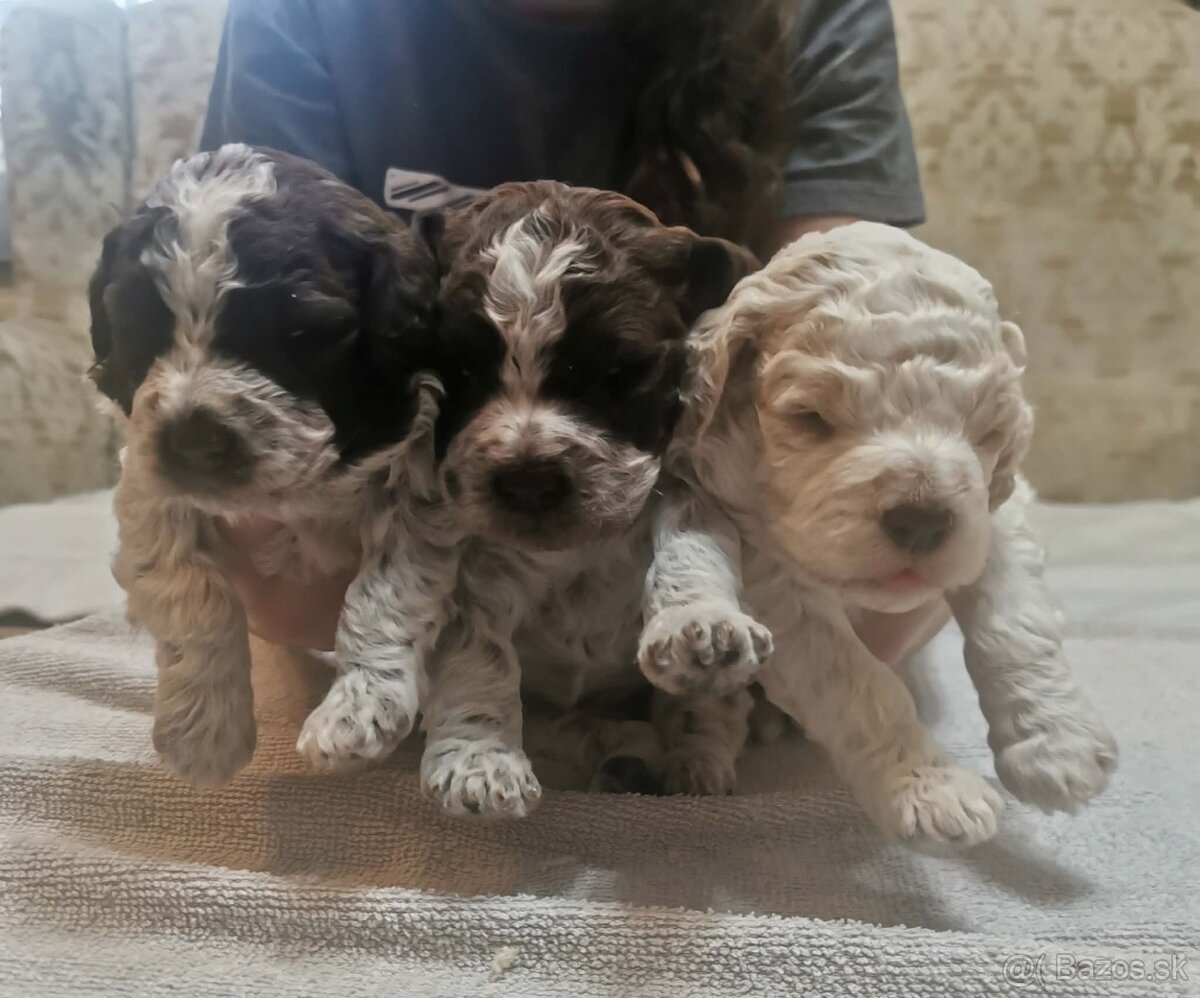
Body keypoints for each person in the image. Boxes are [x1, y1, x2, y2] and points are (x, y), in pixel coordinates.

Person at [200, 0, 943, 660]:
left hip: (702, 510)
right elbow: (265, 376)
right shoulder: (303, 13)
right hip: (406, 522)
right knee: (280, 568)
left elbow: (849, 350)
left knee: (877, 599)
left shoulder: (804, 12)